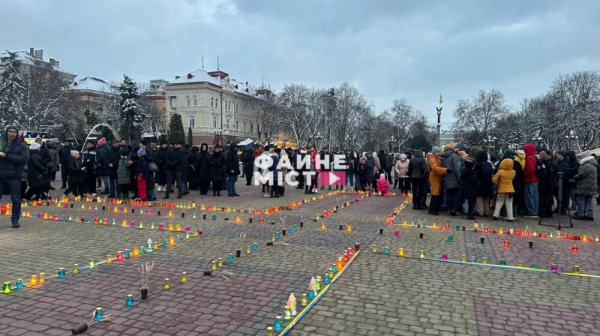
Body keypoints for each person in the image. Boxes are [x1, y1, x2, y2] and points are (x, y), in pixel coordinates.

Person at [0, 126, 29, 228]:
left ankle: (15, 219)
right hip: (1, 175)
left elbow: (23, 159)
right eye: (10, 131)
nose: (12, 134)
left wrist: (6, 156)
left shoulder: (21, 145)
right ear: (6, 132)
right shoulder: (1, 143)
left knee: (16, 199)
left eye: (14, 132)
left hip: (14, 176)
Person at [573, 150, 597, 221]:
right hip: (590, 185)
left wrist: (574, 177)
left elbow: (581, 174)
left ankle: (581, 214)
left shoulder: (587, 165)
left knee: (580, 199)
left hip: (584, 185)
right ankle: (589, 214)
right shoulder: (592, 165)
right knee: (589, 200)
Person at [427, 147, 449, 216]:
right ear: (434, 152)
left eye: (439, 152)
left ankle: (434, 208)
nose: (439, 153)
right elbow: (435, 168)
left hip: (437, 177)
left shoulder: (436, 159)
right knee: (435, 193)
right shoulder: (432, 159)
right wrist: (446, 170)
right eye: (437, 152)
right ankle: (432, 210)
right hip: (434, 178)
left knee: (437, 193)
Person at [441, 144, 461, 216]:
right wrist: (459, 178)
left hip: (447, 178)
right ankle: (453, 209)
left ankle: (448, 209)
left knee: (448, 194)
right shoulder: (454, 156)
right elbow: (456, 168)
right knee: (455, 195)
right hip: (454, 178)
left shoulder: (444, 157)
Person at [522, 144, 540, 218]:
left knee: (529, 196)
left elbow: (530, 169)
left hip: (530, 179)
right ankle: (535, 211)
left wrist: (524, 175)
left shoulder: (529, 158)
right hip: (535, 179)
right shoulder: (533, 157)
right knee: (535, 196)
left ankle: (532, 212)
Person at [538, 149, 556, 218]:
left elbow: (549, 174)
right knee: (546, 198)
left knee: (547, 198)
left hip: (547, 184)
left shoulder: (548, 163)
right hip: (547, 183)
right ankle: (546, 211)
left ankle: (547, 212)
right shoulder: (548, 162)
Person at [475, 151, 493, 217]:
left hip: (480, 183)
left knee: (479, 198)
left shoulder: (478, 164)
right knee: (486, 198)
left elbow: (476, 174)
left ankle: (480, 211)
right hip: (488, 183)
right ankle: (487, 212)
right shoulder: (489, 164)